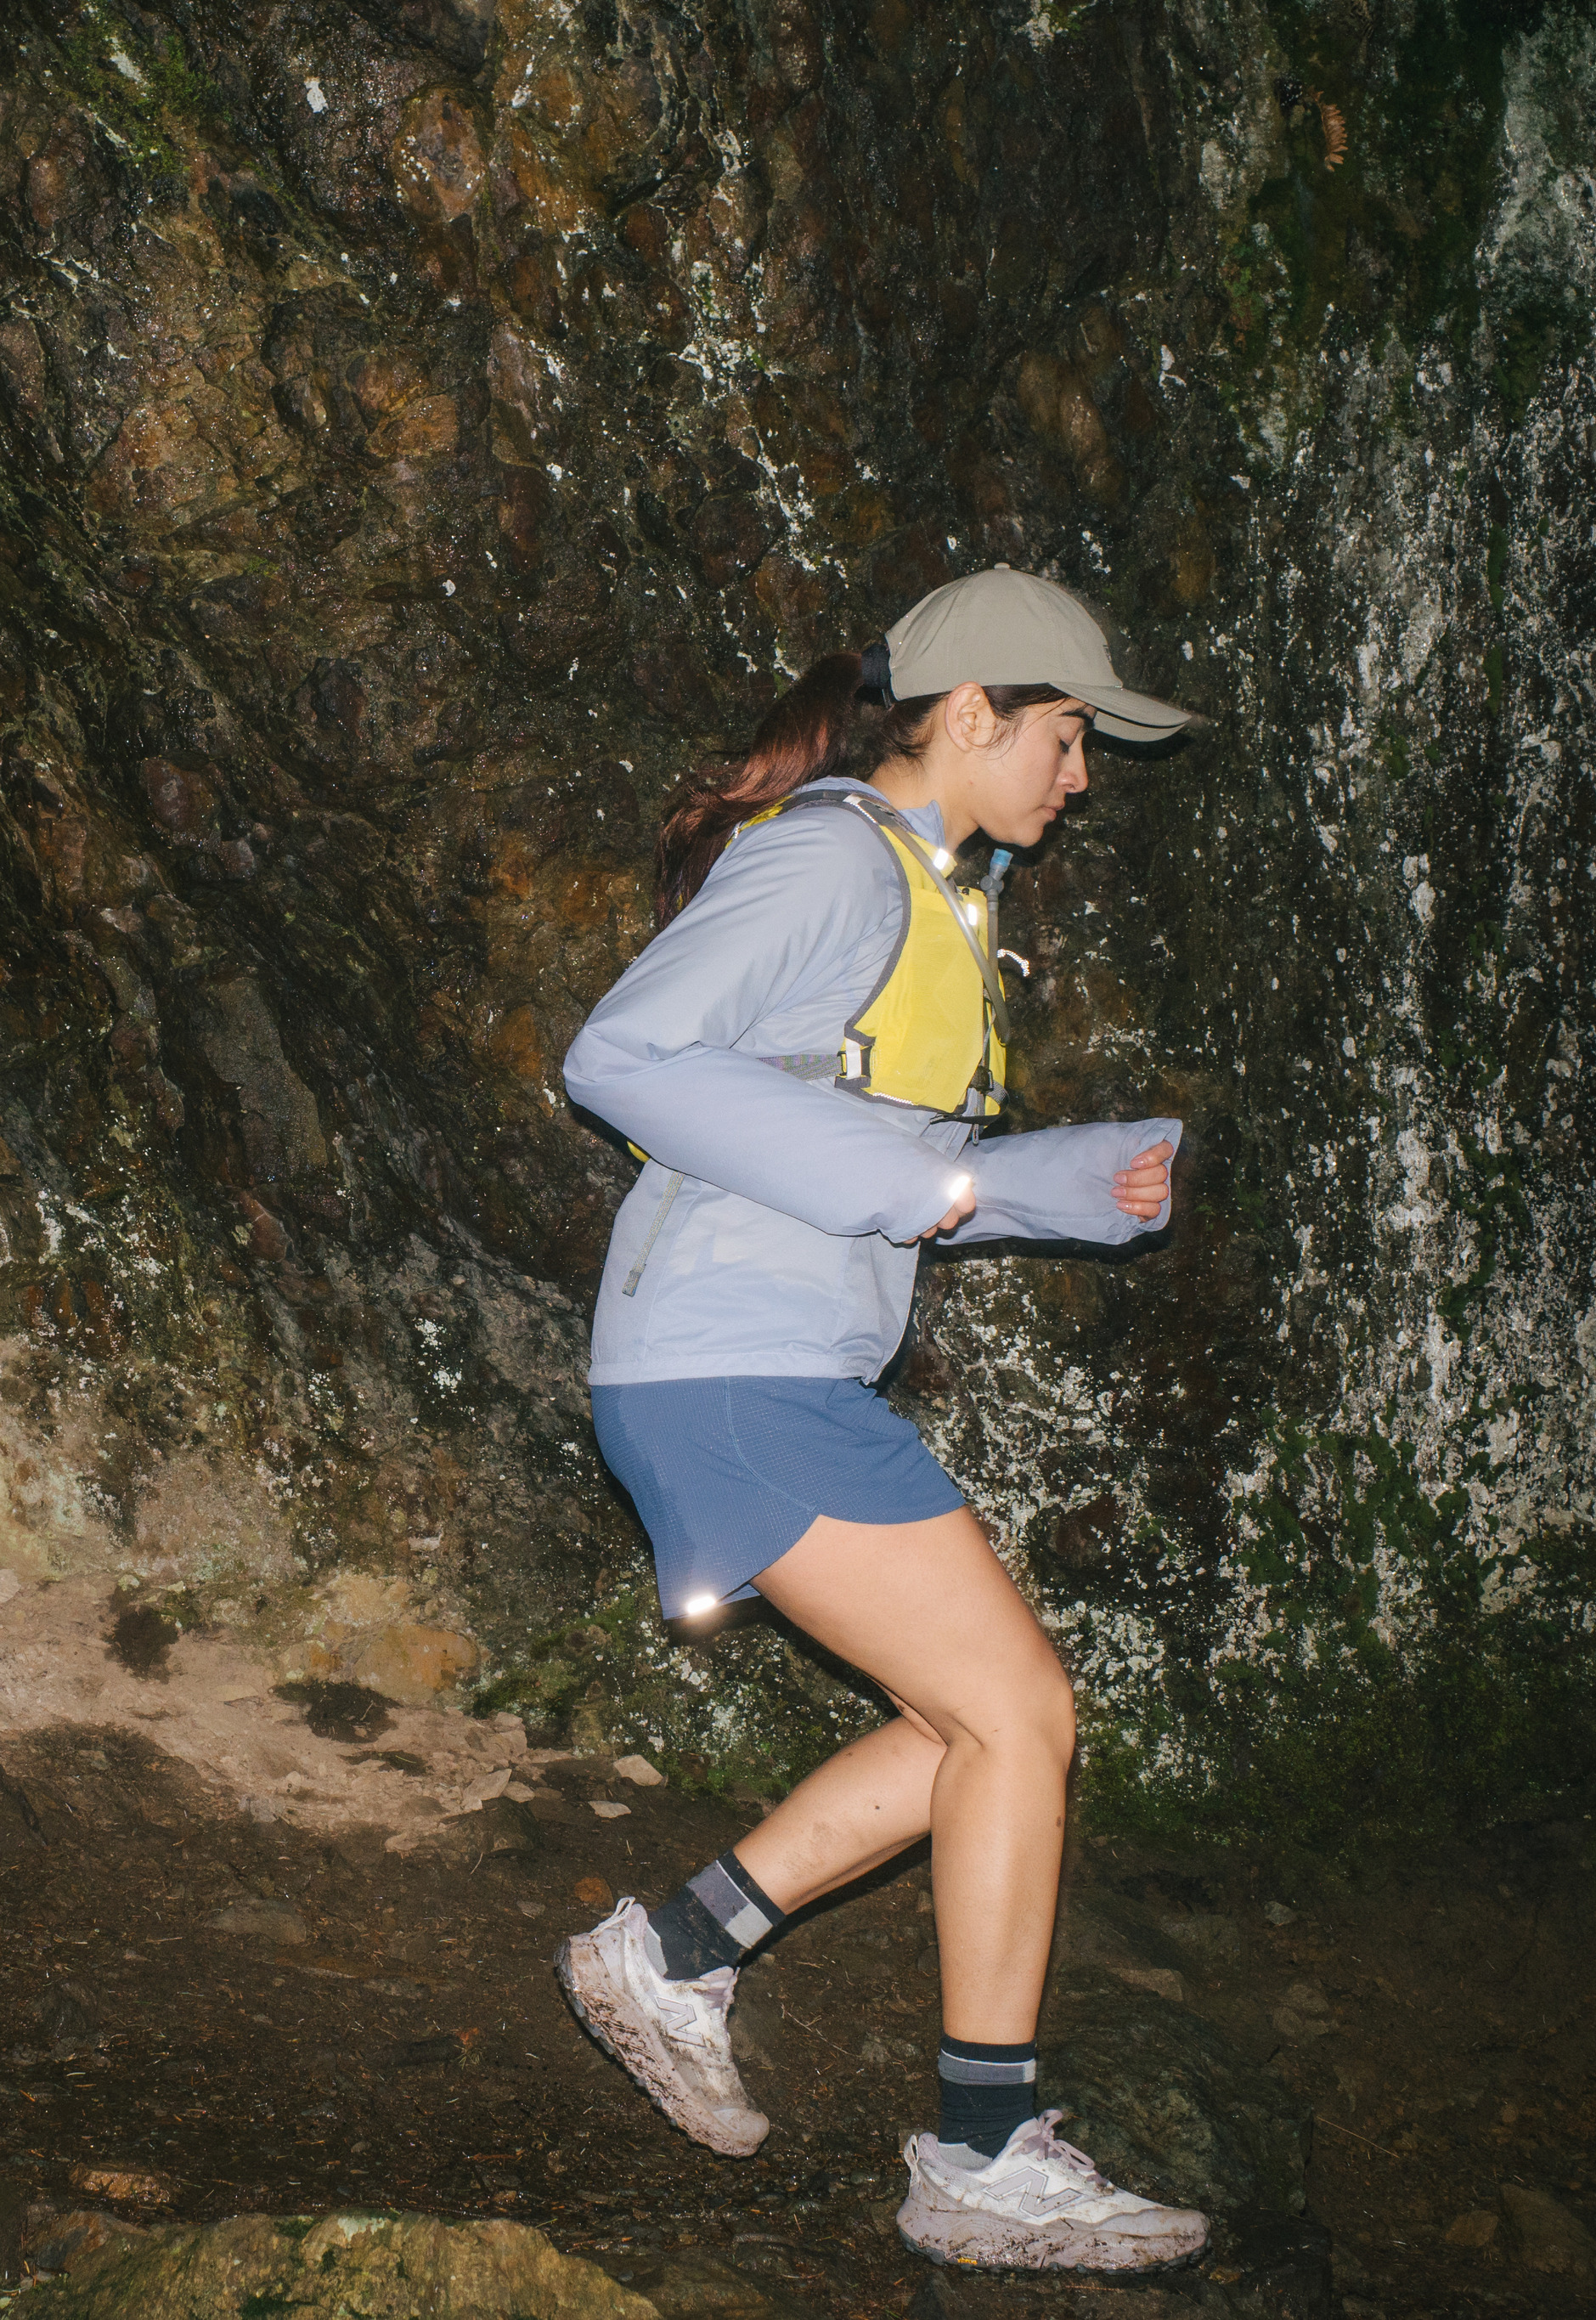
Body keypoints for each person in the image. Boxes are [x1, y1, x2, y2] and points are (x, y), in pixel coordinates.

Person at [551, 569, 1206, 2272]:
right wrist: (946, 1176)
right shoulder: (829, 857)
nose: (1079, 776)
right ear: (973, 710)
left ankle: (676, 1954)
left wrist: (1057, 1188)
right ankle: (981, 2152)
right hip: (725, 1366)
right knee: (1021, 1713)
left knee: (966, 1728)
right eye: (1065, 735)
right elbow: (621, 1055)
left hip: (764, 1364)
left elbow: (880, 1178)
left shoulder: (934, 890)